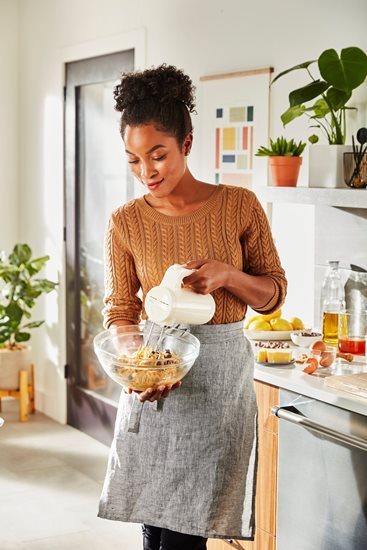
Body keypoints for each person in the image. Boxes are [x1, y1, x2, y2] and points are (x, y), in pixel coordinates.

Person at [99, 64, 287, 550]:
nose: (146, 173)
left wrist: (227, 275)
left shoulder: (240, 206)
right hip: (157, 376)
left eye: (157, 155)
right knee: (154, 524)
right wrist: (140, 366)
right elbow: (120, 311)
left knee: (189, 534)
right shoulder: (124, 222)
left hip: (218, 387)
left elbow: (273, 295)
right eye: (134, 160)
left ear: (185, 144)